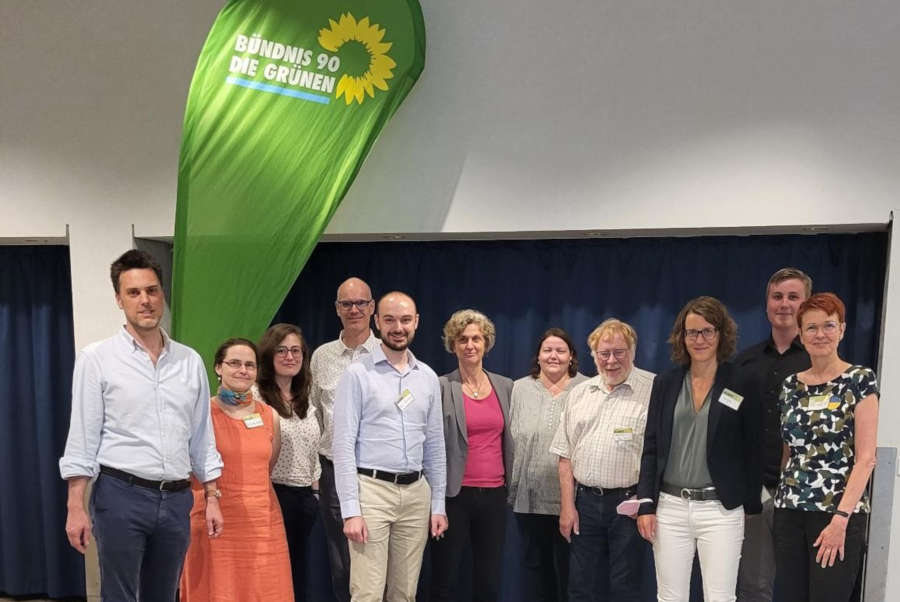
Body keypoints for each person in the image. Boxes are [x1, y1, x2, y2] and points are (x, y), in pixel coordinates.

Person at [59, 249, 223, 601]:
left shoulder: (189, 361)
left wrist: (212, 496)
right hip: (121, 496)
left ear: (162, 294)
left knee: (163, 595)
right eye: (133, 293)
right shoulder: (97, 359)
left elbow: (201, 437)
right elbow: (83, 438)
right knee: (119, 595)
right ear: (119, 299)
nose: (145, 300)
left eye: (152, 290)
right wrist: (76, 506)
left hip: (178, 498)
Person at [637, 296, 761, 602]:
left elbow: (753, 446)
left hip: (720, 508)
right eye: (692, 332)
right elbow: (651, 446)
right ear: (682, 337)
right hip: (670, 507)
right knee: (670, 597)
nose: (700, 339)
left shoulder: (742, 381)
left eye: (707, 331)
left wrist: (747, 501)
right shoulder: (666, 383)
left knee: (720, 597)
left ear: (721, 334)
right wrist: (646, 504)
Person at [332, 291, 448, 602]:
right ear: (377, 322)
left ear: (417, 323)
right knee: (367, 593)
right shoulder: (358, 374)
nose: (398, 327)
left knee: (405, 594)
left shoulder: (427, 378)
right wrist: (351, 512)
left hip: (416, 495)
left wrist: (438, 505)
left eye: (405, 320)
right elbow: (342, 446)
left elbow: (436, 445)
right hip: (371, 492)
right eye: (390, 319)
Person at [773, 293, 878, 602]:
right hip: (790, 511)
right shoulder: (791, 385)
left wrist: (841, 519)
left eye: (829, 326)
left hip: (836, 514)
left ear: (842, 330)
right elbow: (789, 451)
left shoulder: (859, 380)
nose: (820, 334)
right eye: (812, 327)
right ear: (801, 334)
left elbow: (866, 458)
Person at [180, 338, 293, 601]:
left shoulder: (269, 415)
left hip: (263, 521)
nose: (243, 370)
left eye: (249, 365)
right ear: (218, 368)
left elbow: (268, 464)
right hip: (211, 518)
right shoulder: (200, 413)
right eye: (234, 363)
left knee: (266, 590)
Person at [550, 319, 654, 602]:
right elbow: (564, 455)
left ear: (632, 351)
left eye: (619, 352)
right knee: (581, 586)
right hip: (585, 506)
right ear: (593, 355)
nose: (611, 361)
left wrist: (646, 502)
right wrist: (567, 507)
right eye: (603, 353)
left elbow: (661, 455)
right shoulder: (580, 393)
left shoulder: (654, 390)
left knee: (625, 588)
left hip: (629, 507)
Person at [734, 268, 812, 602]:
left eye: (793, 297)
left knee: (805, 585)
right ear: (767, 304)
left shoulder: (819, 361)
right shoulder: (743, 362)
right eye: (777, 296)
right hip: (756, 492)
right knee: (754, 586)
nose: (784, 304)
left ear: (807, 304)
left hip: (804, 494)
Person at [430, 309, 514, 602]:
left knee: (489, 581)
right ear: (452, 344)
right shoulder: (441, 386)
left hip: (494, 497)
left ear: (486, 343)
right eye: (462, 339)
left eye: (476, 338)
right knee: (444, 579)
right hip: (454, 497)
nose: (470, 345)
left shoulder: (505, 386)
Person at [310, 276, 380, 602]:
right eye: (346, 304)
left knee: (378, 566)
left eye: (361, 303)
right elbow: (313, 416)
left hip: (377, 476)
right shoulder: (322, 356)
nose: (354, 310)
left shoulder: (388, 354)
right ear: (337, 309)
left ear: (373, 307)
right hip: (333, 473)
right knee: (341, 565)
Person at [508, 328, 588, 602]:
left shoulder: (587, 387)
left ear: (571, 357)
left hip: (575, 501)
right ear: (538, 357)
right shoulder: (519, 388)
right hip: (528, 499)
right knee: (536, 573)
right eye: (547, 350)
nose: (553, 355)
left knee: (572, 574)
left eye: (560, 350)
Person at [258, 323, 321, 602]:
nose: (289, 356)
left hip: (306, 496)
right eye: (281, 350)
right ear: (269, 355)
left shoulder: (307, 400)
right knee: (270, 576)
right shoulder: (256, 399)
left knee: (298, 572)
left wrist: (316, 491)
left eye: (296, 350)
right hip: (272, 495)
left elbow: (313, 451)